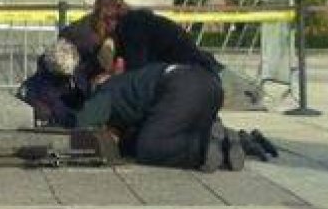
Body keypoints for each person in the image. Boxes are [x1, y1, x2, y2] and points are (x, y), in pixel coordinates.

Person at [75, 62, 223, 170]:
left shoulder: (105, 90)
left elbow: (81, 121)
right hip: (210, 84)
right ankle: (233, 142)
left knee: (149, 147)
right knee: (181, 131)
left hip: (182, 86)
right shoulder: (133, 83)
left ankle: (201, 149)